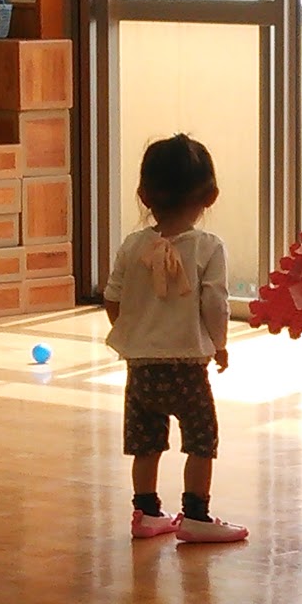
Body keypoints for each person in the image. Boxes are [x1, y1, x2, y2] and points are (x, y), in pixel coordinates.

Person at [105, 134, 248, 544]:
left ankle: (146, 513)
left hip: (141, 368)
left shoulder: (133, 245)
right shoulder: (208, 247)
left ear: (144, 195)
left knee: (145, 442)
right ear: (211, 195)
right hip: (186, 366)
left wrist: (134, 331)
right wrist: (219, 344)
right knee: (201, 438)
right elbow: (215, 303)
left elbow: (113, 298)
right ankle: (196, 514)